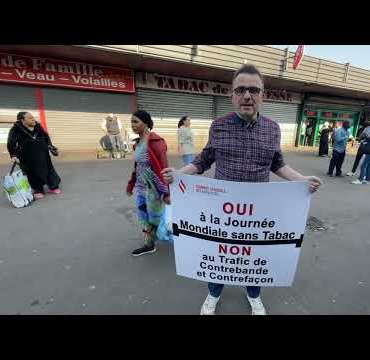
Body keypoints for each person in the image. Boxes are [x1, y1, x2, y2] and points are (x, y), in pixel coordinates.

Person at [161, 64, 322, 316]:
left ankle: (254, 295)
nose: (247, 95)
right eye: (241, 90)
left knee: (253, 256)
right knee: (220, 254)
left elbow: (277, 163)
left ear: (263, 95)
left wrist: (302, 181)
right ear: (232, 95)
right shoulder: (219, 126)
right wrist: (180, 174)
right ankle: (213, 294)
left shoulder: (272, 129)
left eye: (254, 90)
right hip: (222, 212)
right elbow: (204, 160)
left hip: (257, 213)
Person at [126, 110, 171, 256]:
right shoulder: (138, 143)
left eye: (136, 121)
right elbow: (138, 166)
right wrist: (131, 183)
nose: (133, 125)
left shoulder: (156, 143)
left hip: (154, 187)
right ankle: (149, 244)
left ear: (145, 123)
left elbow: (164, 168)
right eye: (131, 122)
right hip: (141, 187)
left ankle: (172, 234)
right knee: (143, 215)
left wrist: (167, 192)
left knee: (155, 217)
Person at [7, 112, 61, 199]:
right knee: (32, 173)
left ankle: (54, 186)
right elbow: (11, 142)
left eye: (33, 117)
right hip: (26, 156)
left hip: (42, 154)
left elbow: (46, 137)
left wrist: (50, 146)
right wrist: (13, 155)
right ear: (22, 120)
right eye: (30, 118)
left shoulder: (38, 127)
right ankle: (38, 190)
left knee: (49, 170)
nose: (33, 119)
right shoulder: (16, 129)